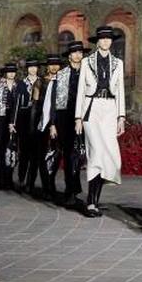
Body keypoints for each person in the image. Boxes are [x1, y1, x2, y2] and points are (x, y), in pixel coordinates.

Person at [75, 25, 126, 218]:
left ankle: (95, 200)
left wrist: (121, 116)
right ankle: (91, 203)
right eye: (102, 38)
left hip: (110, 109)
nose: (105, 41)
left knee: (109, 155)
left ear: (112, 41)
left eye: (108, 38)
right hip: (91, 108)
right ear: (97, 41)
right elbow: (80, 90)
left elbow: (120, 89)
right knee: (96, 153)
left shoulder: (118, 63)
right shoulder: (87, 62)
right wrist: (78, 117)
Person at [51, 41, 86, 207]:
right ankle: (70, 191)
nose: (78, 55)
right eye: (74, 52)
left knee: (79, 155)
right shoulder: (62, 74)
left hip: (83, 117)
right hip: (65, 118)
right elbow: (54, 101)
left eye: (80, 52)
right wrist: (53, 123)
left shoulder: (87, 73)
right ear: (69, 55)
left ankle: (74, 189)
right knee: (68, 154)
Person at [27, 56, 61, 201]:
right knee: (39, 156)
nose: (54, 67)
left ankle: (50, 185)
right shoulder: (40, 82)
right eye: (51, 65)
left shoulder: (61, 82)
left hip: (57, 122)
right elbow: (34, 106)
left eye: (57, 65)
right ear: (47, 66)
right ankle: (37, 185)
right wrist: (33, 127)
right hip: (41, 122)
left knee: (54, 155)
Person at [13, 60, 43, 192]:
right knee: (24, 152)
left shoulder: (42, 82)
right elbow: (17, 104)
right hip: (24, 118)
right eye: (30, 67)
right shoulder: (21, 84)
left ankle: (30, 182)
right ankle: (21, 179)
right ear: (27, 69)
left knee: (35, 154)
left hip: (38, 118)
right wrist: (13, 122)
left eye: (34, 67)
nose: (32, 69)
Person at [0, 64, 19, 188]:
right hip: (0, 119)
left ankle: (9, 179)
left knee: (11, 150)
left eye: (13, 72)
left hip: (13, 120)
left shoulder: (18, 86)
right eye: (9, 72)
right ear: (5, 73)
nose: (11, 74)